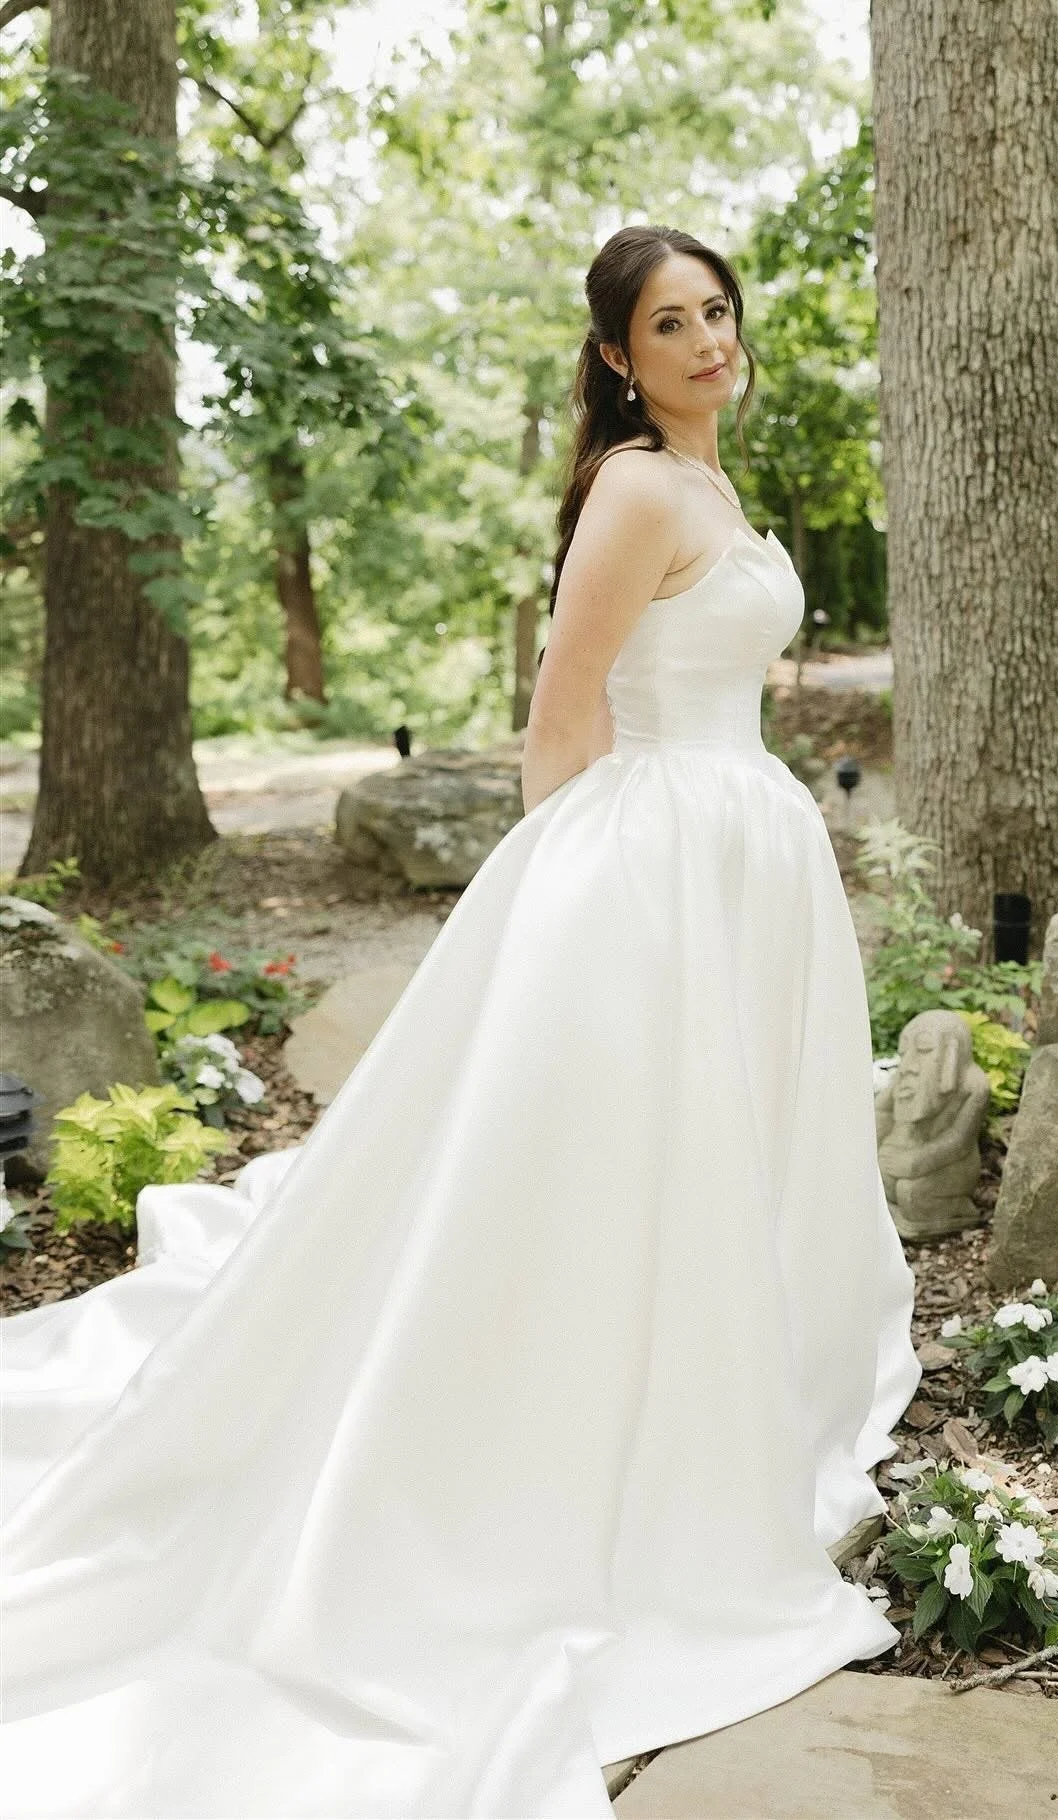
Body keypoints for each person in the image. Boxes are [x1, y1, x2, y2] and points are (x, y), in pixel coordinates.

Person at [0, 224, 921, 1819]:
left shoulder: (714, 487)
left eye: (717, 312)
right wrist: (575, 925)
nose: (707, 340)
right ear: (620, 357)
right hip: (644, 871)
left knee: (723, 1156)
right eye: (670, 323)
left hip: (742, 857)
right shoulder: (636, 487)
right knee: (599, 1166)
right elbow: (562, 724)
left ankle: (715, 1389)